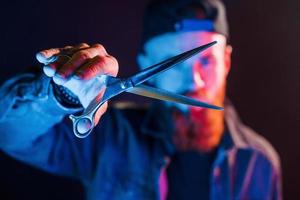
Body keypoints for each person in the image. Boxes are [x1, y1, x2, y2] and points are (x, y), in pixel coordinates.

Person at [0, 0, 282, 199]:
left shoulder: (260, 161)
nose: (193, 80)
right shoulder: (109, 136)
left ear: (227, 61)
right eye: (171, 64)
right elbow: (9, 134)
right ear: (147, 65)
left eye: (206, 61)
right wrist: (60, 94)